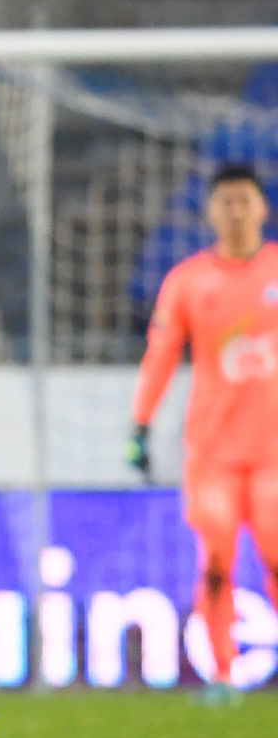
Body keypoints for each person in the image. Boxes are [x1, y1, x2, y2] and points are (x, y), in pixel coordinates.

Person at [131, 163, 278, 706]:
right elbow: (160, 356)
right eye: (226, 202)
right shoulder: (188, 281)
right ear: (211, 211)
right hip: (212, 452)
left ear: (263, 208)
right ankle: (222, 675)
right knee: (216, 565)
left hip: (273, 453)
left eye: (245, 200)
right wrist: (139, 425)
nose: (236, 210)